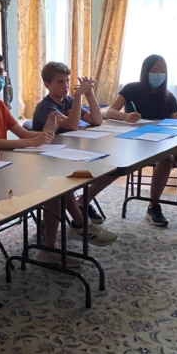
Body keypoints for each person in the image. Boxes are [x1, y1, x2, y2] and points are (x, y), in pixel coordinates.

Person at [0, 52, 116, 265]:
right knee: (53, 183)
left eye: (1, 72)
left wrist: (45, 136)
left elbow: (23, 134)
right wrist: (32, 141)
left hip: (2, 167)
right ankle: (77, 227)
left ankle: (55, 243)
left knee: (57, 181)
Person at [105, 54, 177, 228]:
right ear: (145, 72)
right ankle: (154, 206)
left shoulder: (168, 97)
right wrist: (126, 116)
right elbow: (109, 111)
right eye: (154, 70)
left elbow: (176, 126)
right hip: (135, 143)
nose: (158, 74)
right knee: (167, 158)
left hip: (162, 142)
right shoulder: (132, 89)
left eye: (162, 71)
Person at [31, 61, 118, 261]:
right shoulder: (46, 107)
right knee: (60, 184)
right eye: (60, 82)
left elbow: (97, 120)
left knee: (109, 167)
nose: (66, 86)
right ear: (47, 84)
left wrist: (89, 95)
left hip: (65, 156)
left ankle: (79, 225)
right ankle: (80, 225)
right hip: (45, 161)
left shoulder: (69, 101)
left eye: (68, 81)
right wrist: (79, 96)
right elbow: (72, 126)